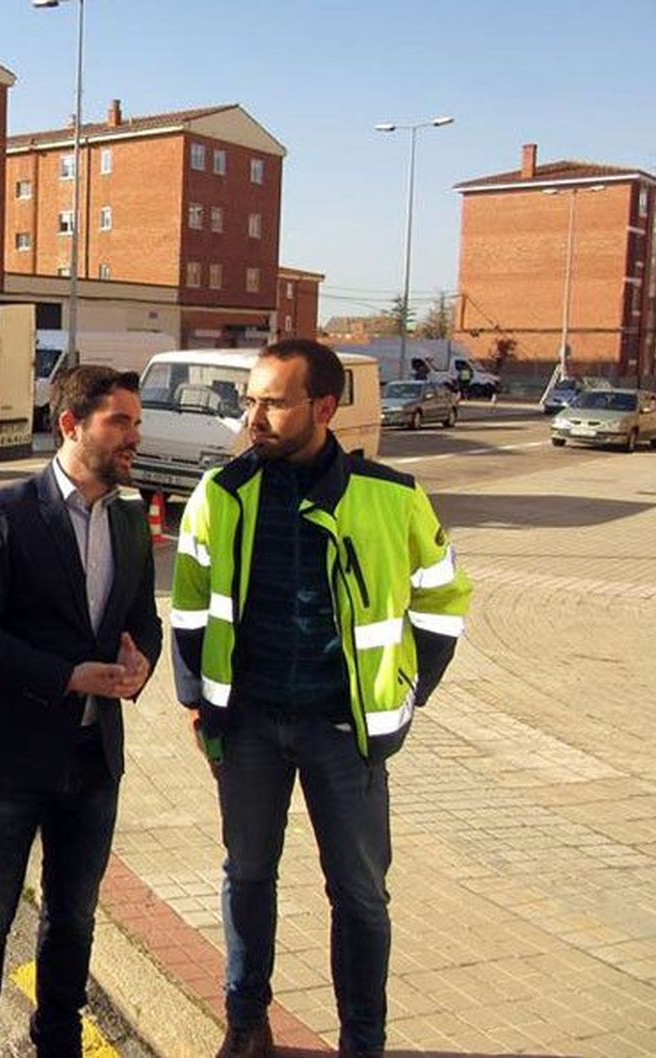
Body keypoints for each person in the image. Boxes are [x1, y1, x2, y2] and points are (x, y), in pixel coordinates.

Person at [169, 339, 472, 1058]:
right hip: (247, 728)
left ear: (324, 407)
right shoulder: (222, 494)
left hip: (345, 733)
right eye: (249, 401)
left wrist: (406, 688)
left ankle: (361, 1041)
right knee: (247, 877)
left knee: (361, 897)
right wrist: (196, 703)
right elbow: (186, 608)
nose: (254, 418)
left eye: (272, 402)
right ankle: (246, 1022)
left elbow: (443, 600)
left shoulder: (392, 497)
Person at [0, 365, 163, 1058]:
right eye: (119, 421)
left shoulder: (129, 518)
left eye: (135, 421)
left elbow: (141, 620)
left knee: (74, 918)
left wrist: (142, 661)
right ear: (71, 425)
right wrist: (66, 676)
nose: (135, 435)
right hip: (12, 756)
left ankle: (57, 1041)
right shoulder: (3, 513)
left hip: (95, 759)